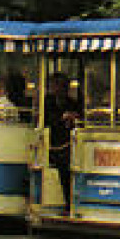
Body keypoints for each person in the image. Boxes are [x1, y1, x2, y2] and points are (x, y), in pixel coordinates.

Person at [43, 73, 80, 203]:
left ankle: (70, 202)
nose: (60, 89)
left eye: (64, 86)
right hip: (51, 145)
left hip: (69, 144)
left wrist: (74, 118)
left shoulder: (72, 103)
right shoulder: (46, 102)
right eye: (57, 85)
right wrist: (61, 118)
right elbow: (45, 120)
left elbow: (80, 119)